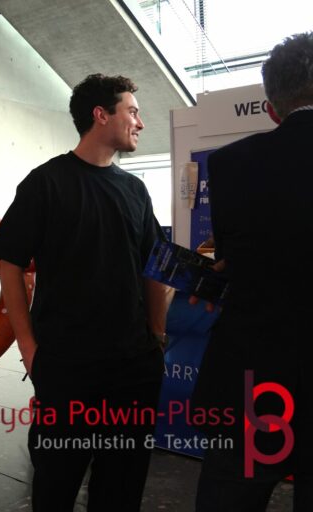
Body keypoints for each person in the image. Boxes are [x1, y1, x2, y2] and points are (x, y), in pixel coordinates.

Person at [0, 74, 169, 511]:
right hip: (67, 367)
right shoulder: (46, 183)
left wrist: (156, 338)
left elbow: (153, 267)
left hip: (133, 367)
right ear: (100, 115)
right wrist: (28, 348)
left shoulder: (135, 190)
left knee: (121, 489)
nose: (140, 122)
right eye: (132, 111)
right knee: (56, 484)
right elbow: (9, 264)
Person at [192, 32, 313, 512]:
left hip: (252, 380)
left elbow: (231, 258)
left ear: (271, 108)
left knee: (232, 496)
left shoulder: (230, 164)